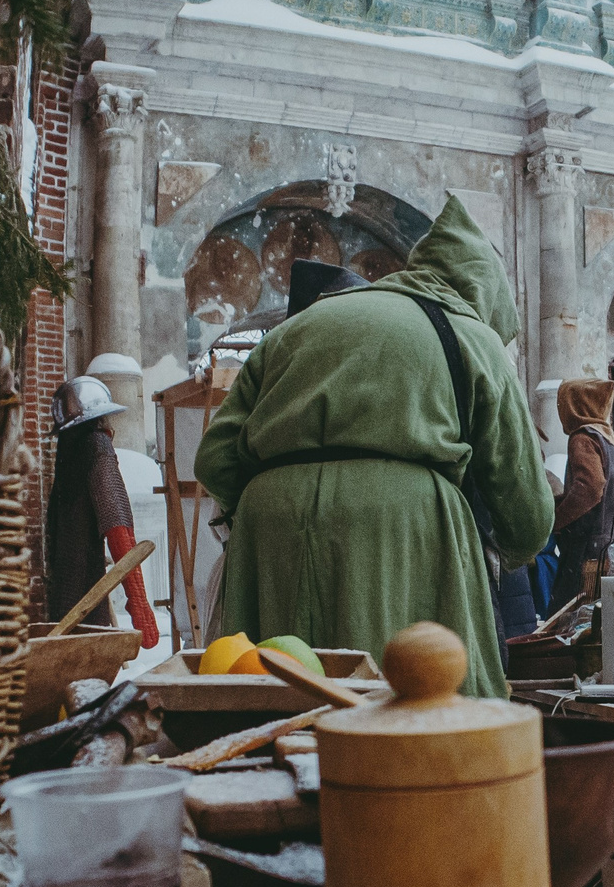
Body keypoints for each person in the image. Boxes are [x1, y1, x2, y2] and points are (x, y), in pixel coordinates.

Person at [195, 196, 552, 698]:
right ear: (486, 295)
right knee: (404, 704)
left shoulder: (294, 329)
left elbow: (215, 458)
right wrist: (501, 550)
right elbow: (527, 510)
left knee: (271, 705)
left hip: (270, 529)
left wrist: (265, 508)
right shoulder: (471, 335)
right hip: (405, 530)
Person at [44, 375, 160, 649]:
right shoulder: (96, 446)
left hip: (65, 585)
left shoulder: (67, 451)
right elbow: (118, 529)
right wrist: (141, 608)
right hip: (87, 589)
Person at [549, 378, 614, 609]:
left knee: (568, 625)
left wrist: (555, 521)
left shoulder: (583, 438)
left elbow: (590, 488)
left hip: (585, 553)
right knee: (598, 624)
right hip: (608, 550)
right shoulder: (608, 440)